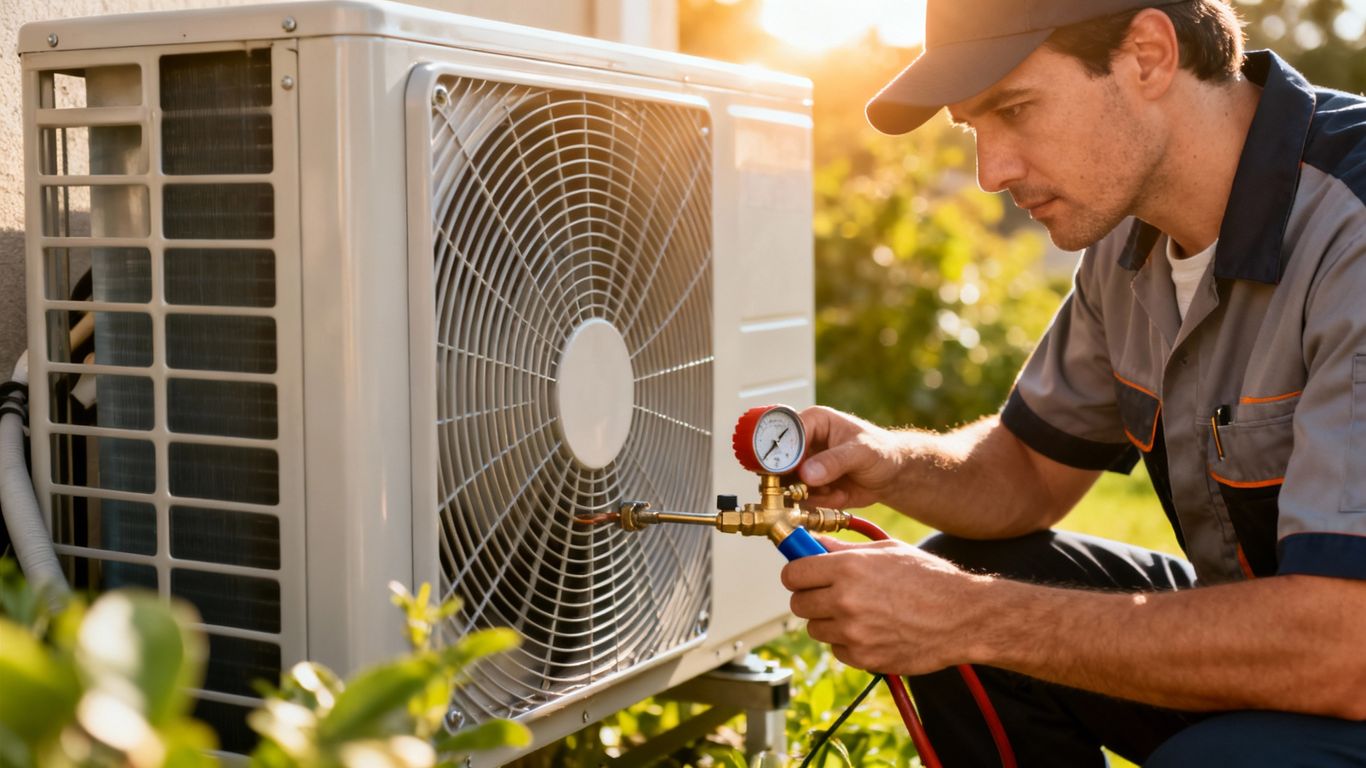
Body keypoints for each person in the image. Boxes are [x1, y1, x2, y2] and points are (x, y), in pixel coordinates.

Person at [780, 0, 1366, 764]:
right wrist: (892, 461)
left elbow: (1346, 647)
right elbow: (1024, 471)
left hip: (1343, 654)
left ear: (1150, 55)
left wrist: (970, 614)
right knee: (976, 571)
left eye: (1016, 109)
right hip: (1303, 646)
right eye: (972, 129)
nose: (992, 172)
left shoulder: (1350, 229)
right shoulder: (1128, 236)